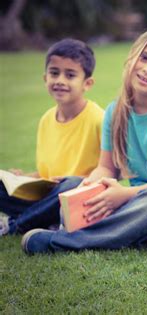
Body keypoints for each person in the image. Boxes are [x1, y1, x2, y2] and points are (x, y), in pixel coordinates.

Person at [21, 27, 147, 254]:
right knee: (73, 184)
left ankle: (63, 242)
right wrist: (90, 185)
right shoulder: (115, 112)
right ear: (133, 56)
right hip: (136, 200)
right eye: (144, 58)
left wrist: (124, 195)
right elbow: (106, 167)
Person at [0, 39, 103, 236]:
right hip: (49, 197)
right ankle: (46, 220)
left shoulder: (99, 118)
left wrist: (82, 181)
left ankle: (15, 225)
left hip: (80, 196)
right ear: (45, 77)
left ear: (87, 83)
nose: (60, 81)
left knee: (71, 183)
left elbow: (115, 171)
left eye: (70, 75)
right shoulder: (46, 119)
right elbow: (46, 173)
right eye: (54, 73)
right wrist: (20, 178)